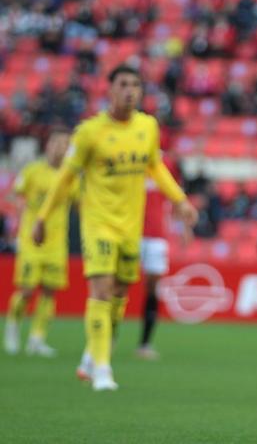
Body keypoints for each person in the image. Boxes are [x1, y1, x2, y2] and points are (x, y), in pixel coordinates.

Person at [33, 64, 197, 391]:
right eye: (123, 84)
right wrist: (41, 217)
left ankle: (92, 356)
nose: (130, 91)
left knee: (120, 294)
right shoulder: (89, 132)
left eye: (135, 85)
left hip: (130, 227)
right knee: (102, 291)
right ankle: (103, 370)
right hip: (99, 224)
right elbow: (65, 178)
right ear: (109, 90)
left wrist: (180, 200)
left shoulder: (148, 127)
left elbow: (155, 167)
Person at [4, 128, 76, 357]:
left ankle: (37, 338)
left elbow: (79, 202)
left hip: (57, 243)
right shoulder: (33, 170)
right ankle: (13, 327)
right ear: (48, 145)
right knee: (26, 291)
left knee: (49, 292)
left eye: (65, 144)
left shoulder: (70, 177)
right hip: (31, 241)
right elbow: (15, 194)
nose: (60, 148)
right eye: (56, 142)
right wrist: (21, 209)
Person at [137, 145, 189, 360]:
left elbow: (175, 195)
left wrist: (184, 226)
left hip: (157, 235)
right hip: (129, 231)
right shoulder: (130, 159)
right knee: (116, 287)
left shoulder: (166, 164)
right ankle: (108, 339)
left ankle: (145, 343)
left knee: (152, 286)